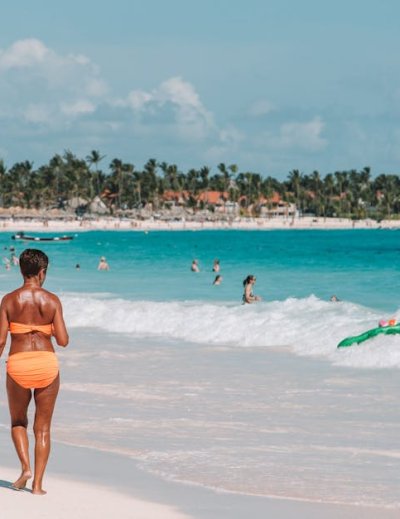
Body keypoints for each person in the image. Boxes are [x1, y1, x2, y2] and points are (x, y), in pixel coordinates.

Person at [0, 249, 68, 495]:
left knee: (18, 422)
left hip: (18, 364)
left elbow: (0, 342)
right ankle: (38, 486)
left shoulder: (8, 300)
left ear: (20, 270)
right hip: (46, 365)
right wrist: (45, 329)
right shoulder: (52, 300)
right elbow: (62, 340)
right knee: (43, 428)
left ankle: (25, 468)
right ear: (42, 272)